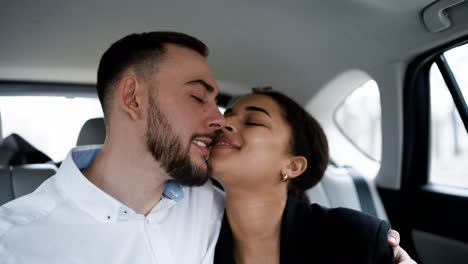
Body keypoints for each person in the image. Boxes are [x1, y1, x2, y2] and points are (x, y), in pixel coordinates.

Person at [0, 32, 414, 264]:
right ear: (133, 98)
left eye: (225, 106)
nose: (220, 120)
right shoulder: (14, 241)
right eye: (199, 98)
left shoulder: (213, 207)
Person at [209, 88, 416, 264]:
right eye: (225, 115)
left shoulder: (354, 237)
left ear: (293, 166)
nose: (223, 123)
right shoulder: (195, 231)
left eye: (254, 121)